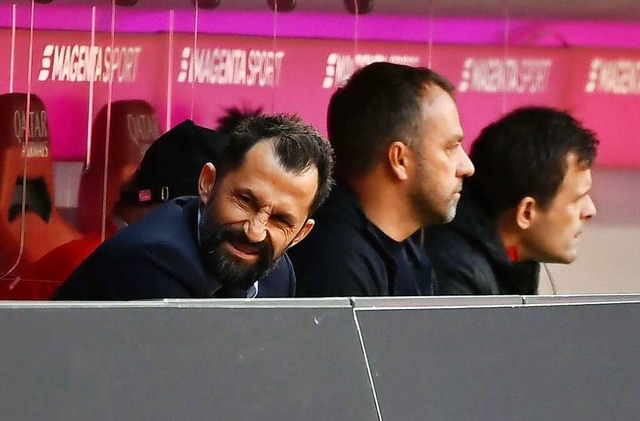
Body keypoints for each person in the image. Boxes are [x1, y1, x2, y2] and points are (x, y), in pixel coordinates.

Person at [53, 114, 334, 300]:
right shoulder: (150, 261)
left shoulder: (279, 273)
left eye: (280, 220)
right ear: (208, 183)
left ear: (300, 234)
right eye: (245, 201)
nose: (255, 232)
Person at [289, 62, 475, 297]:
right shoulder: (334, 261)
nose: (467, 167)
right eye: (451, 147)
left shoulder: (409, 253)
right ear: (399, 160)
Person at [424, 106, 599, 295]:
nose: (590, 211)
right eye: (577, 199)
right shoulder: (455, 274)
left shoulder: (514, 255)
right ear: (526, 212)